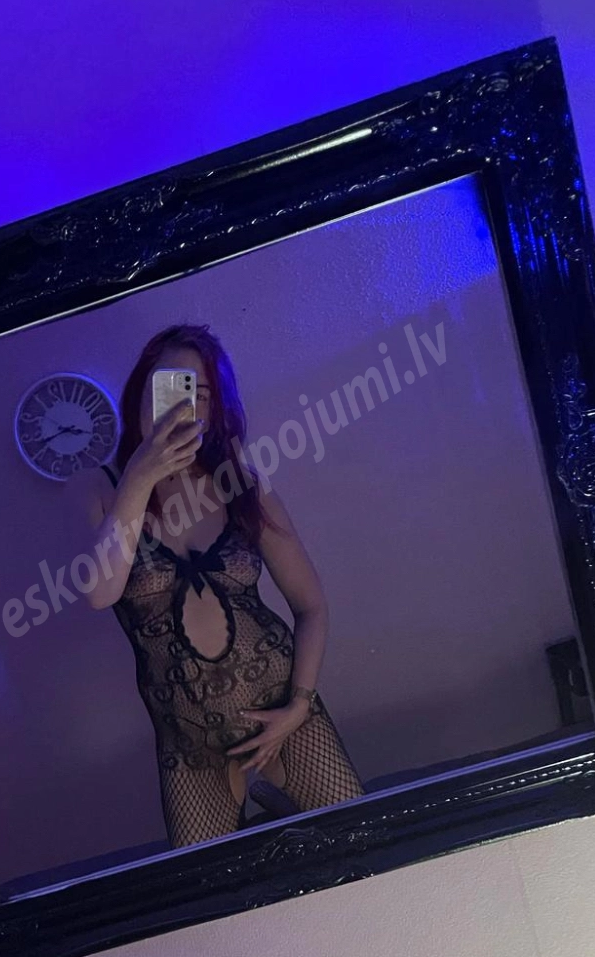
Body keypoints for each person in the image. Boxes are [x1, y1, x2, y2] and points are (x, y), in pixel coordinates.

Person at [74, 323, 364, 848]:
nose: (182, 405)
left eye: (200, 393)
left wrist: (299, 704)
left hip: (284, 718)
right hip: (191, 745)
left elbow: (312, 606)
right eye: (168, 385)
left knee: (358, 845)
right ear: (140, 392)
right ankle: (272, 809)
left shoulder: (243, 484)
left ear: (214, 408)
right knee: (215, 887)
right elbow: (99, 592)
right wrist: (139, 476)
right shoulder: (104, 487)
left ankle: (276, 800)